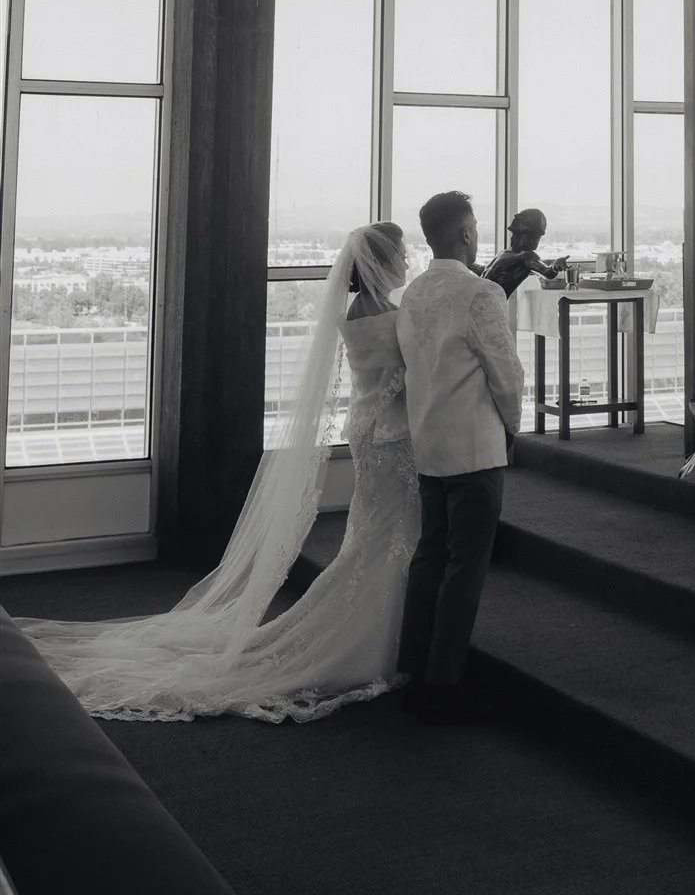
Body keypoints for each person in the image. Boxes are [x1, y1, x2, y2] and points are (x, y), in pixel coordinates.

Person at [15, 224, 421, 722]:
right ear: (383, 261)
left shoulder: (354, 313)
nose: (406, 259)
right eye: (400, 252)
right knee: (387, 534)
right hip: (390, 436)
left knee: (373, 534)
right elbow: (412, 374)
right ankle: (369, 636)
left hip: (366, 429)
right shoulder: (392, 316)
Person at [396, 190, 524, 725]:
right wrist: (512, 429)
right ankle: (444, 683)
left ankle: (411, 666)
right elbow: (506, 374)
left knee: (431, 558)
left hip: (428, 443)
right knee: (466, 566)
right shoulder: (481, 294)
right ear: (466, 234)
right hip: (474, 448)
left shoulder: (413, 294)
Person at [481, 207, 567, 300]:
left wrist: (555, 267)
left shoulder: (526, 257)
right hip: (479, 304)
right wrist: (467, 264)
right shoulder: (504, 252)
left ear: (531, 228)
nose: (516, 216)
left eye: (523, 217)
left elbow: (548, 272)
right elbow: (486, 274)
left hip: (491, 308)